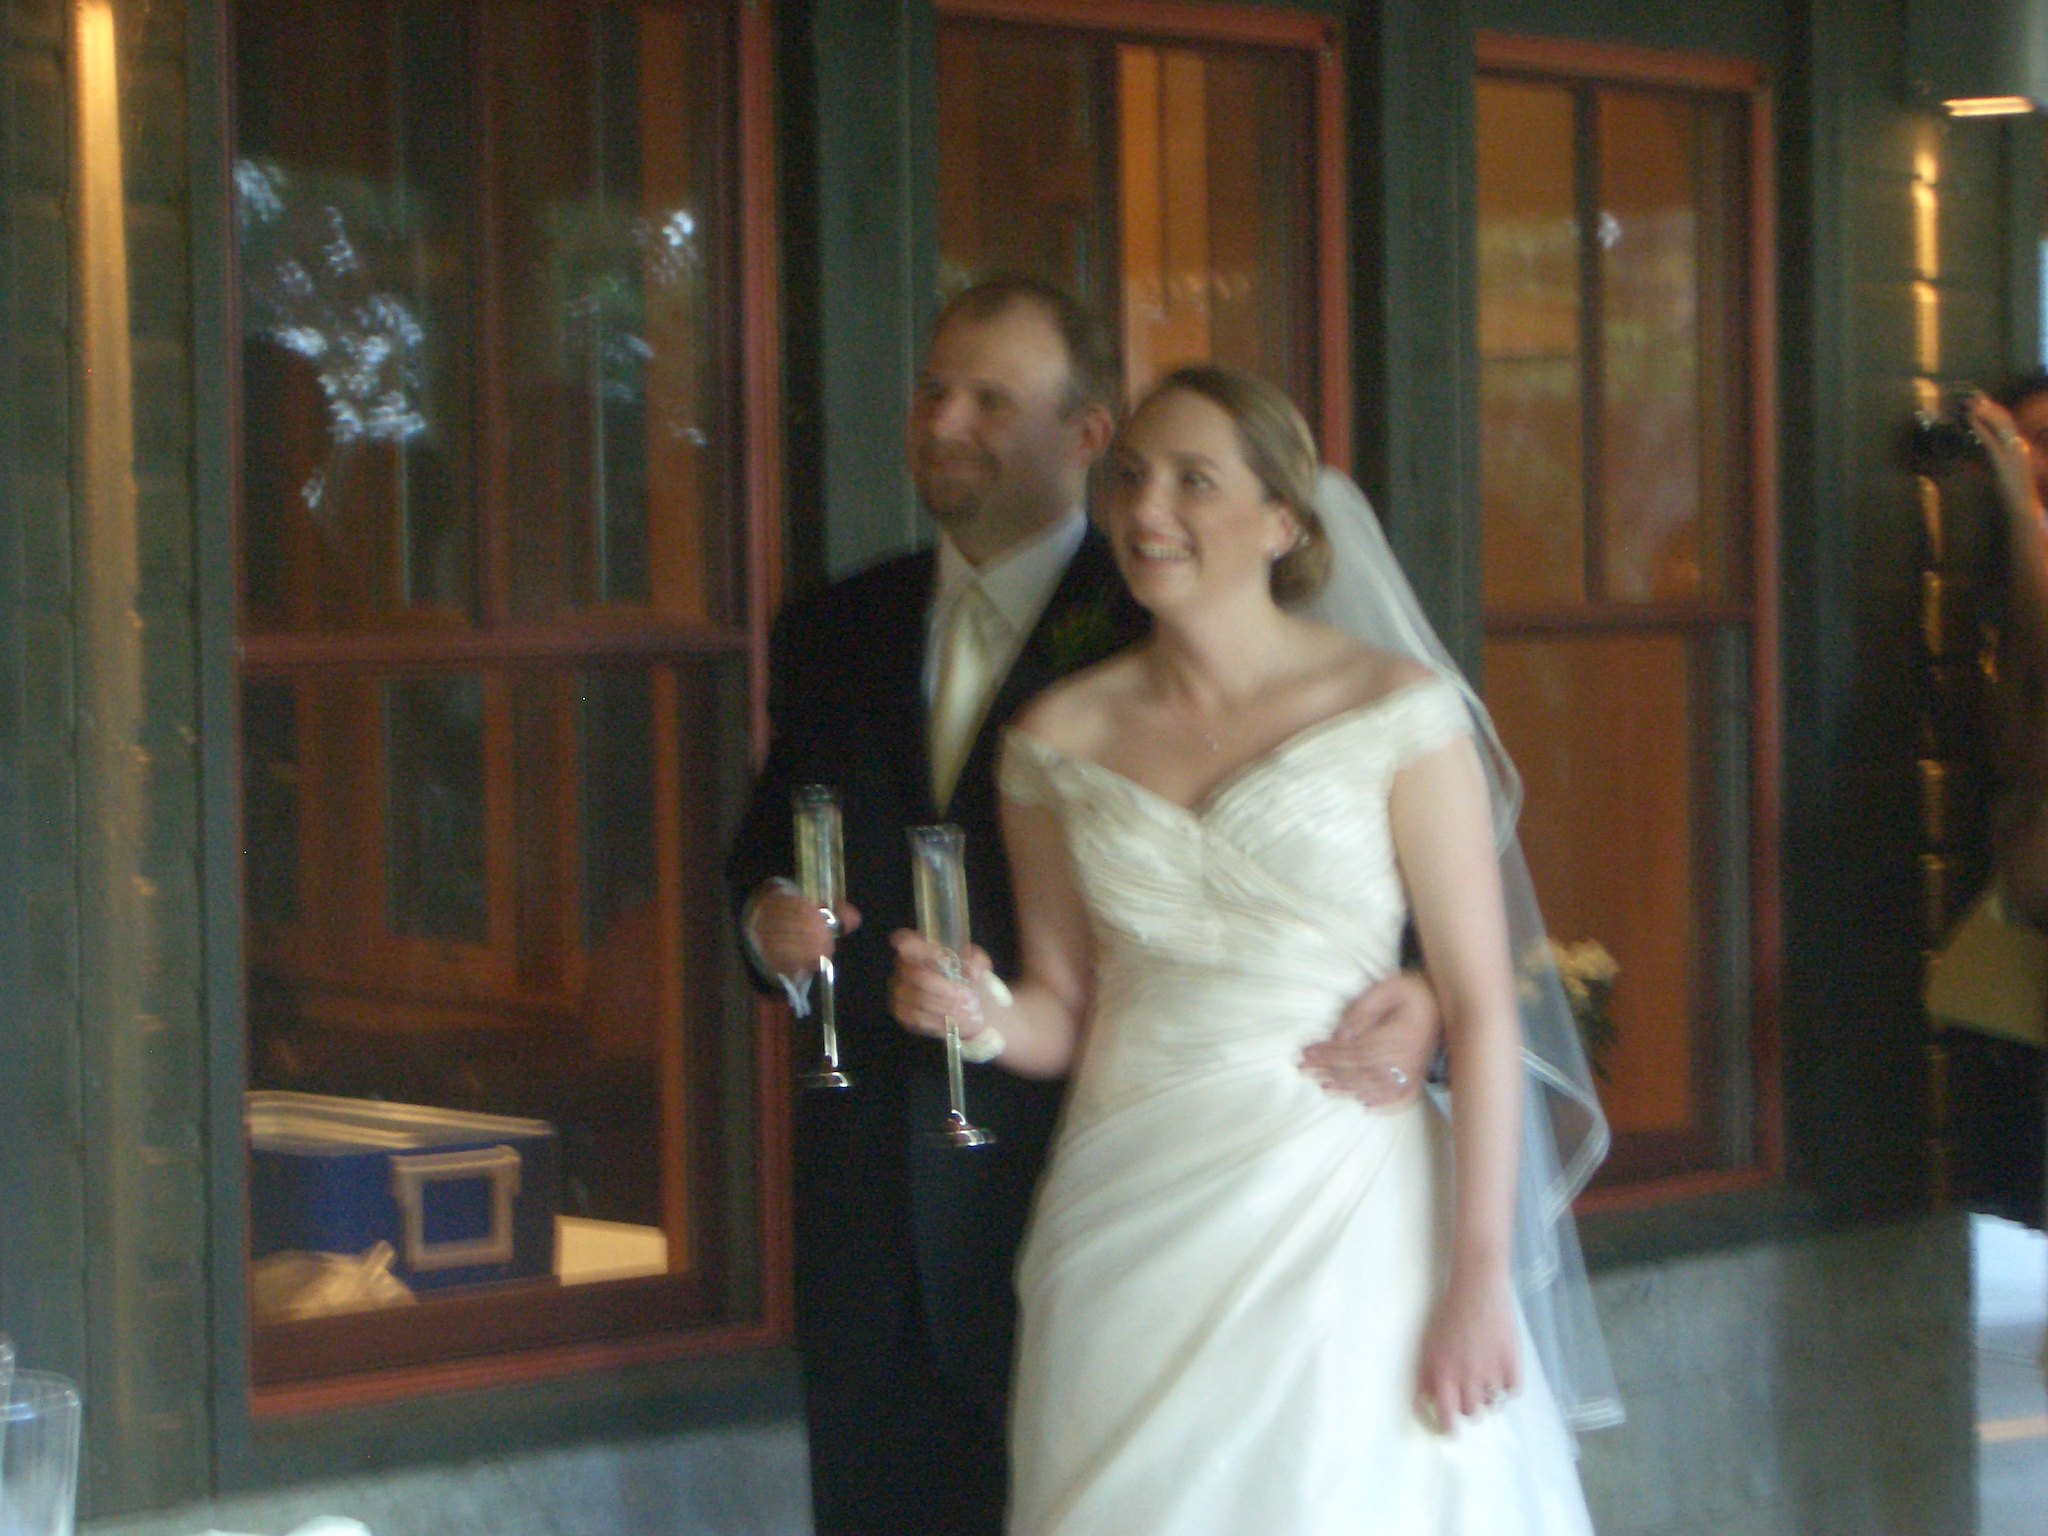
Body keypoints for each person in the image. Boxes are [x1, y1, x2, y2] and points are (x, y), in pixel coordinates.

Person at [725, 281, 1446, 1536]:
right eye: (933, 389)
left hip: (1118, 1185)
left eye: (991, 399)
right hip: (869, 1214)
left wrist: (1429, 996)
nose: (943, 420)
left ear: (1085, 437)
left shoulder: (1176, 602)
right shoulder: (833, 627)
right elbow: (762, 851)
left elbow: (1371, 872)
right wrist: (766, 925)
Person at [891, 366, 1617, 1534]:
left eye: (1192, 480)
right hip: (1129, 1214)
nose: (1143, 511)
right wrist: (973, 1009)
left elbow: (1481, 1008)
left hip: (1351, 1207)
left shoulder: (1397, 711)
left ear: (1282, 521)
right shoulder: (1052, 737)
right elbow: (1063, 1009)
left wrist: (1478, 1276)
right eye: (1127, 478)